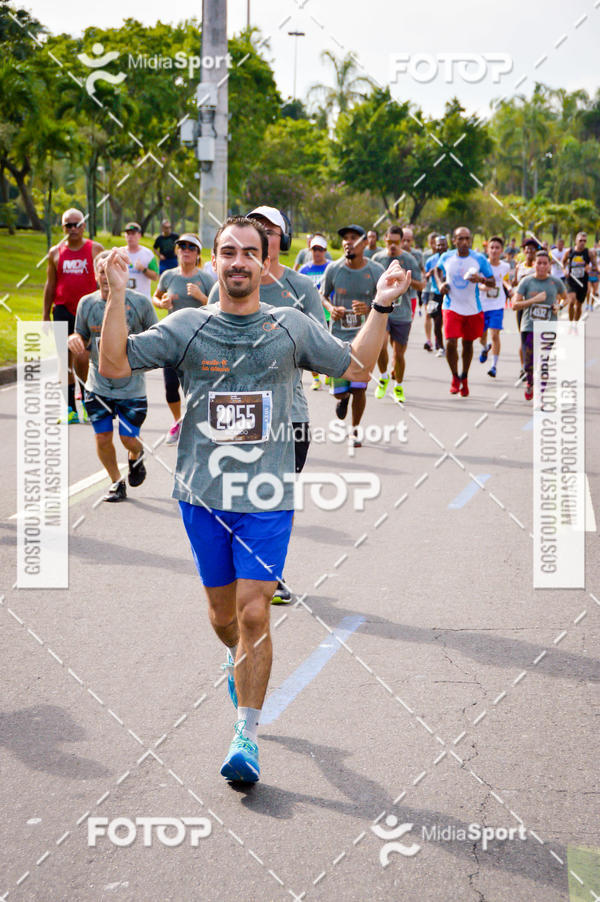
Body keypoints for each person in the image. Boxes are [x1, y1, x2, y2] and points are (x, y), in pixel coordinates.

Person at [98, 217, 411, 783]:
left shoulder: (289, 326)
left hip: (267, 494)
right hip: (202, 494)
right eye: (228, 252)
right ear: (215, 262)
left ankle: (246, 733)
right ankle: (234, 656)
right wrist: (118, 296)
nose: (238, 261)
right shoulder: (188, 326)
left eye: (249, 252)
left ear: (264, 263)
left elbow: (357, 365)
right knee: (223, 617)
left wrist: (382, 306)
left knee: (252, 610)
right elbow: (115, 364)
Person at [207, 205, 327, 605]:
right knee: (234, 496)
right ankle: (242, 574)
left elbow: (321, 348)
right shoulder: (226, 283)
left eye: (269, 230)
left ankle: (268, 573)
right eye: (255, 227)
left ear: (282, 239)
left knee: (273, 497)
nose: (260, 234)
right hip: (235, 412)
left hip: (288, 415)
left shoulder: (301, 288)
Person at [67, 251, 158, 501]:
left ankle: (136, 454)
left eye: (113, 271)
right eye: (103, 271)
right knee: (102, 437)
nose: (107, 277)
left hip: (131, 387)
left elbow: (156, 336)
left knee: (128, 438)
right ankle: (116, 482)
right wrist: (74, 339)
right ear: (97, 275)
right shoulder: (87, 303)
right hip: (98, 386)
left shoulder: (140, 303)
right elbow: (80, 333)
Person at [321, 224, 385, 443]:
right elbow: (322, 295)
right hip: (338, 337)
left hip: (365, 337)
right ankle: (343, 397)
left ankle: (355, 431)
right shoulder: (334, 269)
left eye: (354, 238)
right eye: (345, 238)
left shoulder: (375, 271)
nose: (348, 242)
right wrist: (331, 309)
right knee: (340, 391)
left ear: (365, 243)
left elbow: (386, 300)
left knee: (360, 387)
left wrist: (370, 308)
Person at [42, 208, 104, 423]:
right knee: (64, 360)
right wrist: (45, 315)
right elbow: (50, 284)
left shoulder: (95, 249)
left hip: (88, 312)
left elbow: (105, 280)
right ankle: (70, 409)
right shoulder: (55, 253)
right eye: (68, 225)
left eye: (76, 224)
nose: (73, 228)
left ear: (83, 225)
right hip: (62, 310)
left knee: (83, 357)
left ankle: (87, 402)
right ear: (63, 228)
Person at [153, 234, 214, 445]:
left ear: (197, 254)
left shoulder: (206, 279)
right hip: (172, 338)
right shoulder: (168, 276)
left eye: (191, 247)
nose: (186, 250)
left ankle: (197, 424)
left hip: (199, 340)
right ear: (177, 251)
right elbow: (156, 296)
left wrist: (201, 297)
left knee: (195, 387)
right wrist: (161, 303)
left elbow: (219, 306)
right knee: (171, 385)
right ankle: (177, 421)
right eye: (182, 246)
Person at [434, 226, 495, 397]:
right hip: (451, 306)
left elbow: (492, 282)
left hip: (472, 309)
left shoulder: (479, 259)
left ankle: (464, 377)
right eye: (460, 238)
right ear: (454, 241)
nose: (464, 242)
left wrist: (480, 279)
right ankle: (455, 377)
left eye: (467, 238)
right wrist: (440, 284)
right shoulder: (447, 257)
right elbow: (437, 270)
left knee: (467, 344)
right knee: (450, 342)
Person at [372, 226, 422, 402]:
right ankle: (383, 377)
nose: (392, 245)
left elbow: (421, 285)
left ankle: (398, 386)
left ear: (401, 241)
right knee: (381, 345)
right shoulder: (377, 259)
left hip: (402, 313)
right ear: (385, 239)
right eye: (389, 241)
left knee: (398, 355)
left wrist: (405, 280)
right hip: (382, 311)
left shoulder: (409, 259)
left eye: (396, 242)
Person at [512, 250, 566, 400]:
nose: (542, 266)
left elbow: (565, 298)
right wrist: (533, 300)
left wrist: (560, 306)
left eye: (545, 263)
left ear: (549, 265)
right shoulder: (526, 281)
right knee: (528, 364)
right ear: (534, 264)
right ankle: (530, 382)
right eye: (539, 263)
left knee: (543, 362)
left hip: (548, 327)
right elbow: (515, 305)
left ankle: (541, 394)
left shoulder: (556, 282)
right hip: (529, 326)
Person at [299, 234, 332, 390]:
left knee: (329, 346)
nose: (317, 252)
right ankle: (316, 378)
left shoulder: (331, 267)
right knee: (312, 348)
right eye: (314, 249)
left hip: (329, 313)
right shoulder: (304, 269)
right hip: (310, 314)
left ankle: (329, 373)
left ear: (325, 250)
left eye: (320, 249)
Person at [479, 235, 511, 378]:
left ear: (501, 250)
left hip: (497, 305)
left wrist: (509, 288)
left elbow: (505, 280)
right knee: (481, 336)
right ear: (487, 249)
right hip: (482, 305)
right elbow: (476, 283)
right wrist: (483, 287)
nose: (494, 250)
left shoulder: (505, 266)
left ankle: (493, 366)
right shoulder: (482, 265)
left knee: (495, 334)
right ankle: (485, 347)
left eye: (497, 248)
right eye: (492, 247)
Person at [424, 235, 448, 356]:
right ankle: (440, 346)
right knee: (436, 321)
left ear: (447, 245)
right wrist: (430, 273)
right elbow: (425, 276)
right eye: (438, 245)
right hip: (434, 294)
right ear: (435, 246)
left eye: (443, 244)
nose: (440, 247)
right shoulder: (430, 260)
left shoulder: (451, 258)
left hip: (449, 294)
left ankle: (447, 343)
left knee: (447, 321)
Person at [563, 232, 595, 322]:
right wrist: (564, 270)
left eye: (584, 241)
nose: (582, 243)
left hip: (582, 281)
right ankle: (570, 323)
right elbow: (563, 262)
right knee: (571, 301)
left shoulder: (588, 252)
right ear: (576, 241)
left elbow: (594, 265)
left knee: (579, 305)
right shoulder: (569, 251)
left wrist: (589, 267)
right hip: (571, 280)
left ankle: (575, 323)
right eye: (580, 240)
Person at [124, 222, 159, 298]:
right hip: (124, 298)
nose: (130, 236)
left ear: (139, 235)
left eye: (133, 234)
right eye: (128, 234)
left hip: (142, 298)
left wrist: (143, 269)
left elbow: (155, 277)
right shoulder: (120, 253)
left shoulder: (148, 254)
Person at [421, 232, 438, 351]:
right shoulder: (426, 255)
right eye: (431, 242)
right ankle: (428, 340)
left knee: (437, 317)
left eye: (435, 242)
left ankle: (438, 339)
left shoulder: (443, 255)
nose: (434, 245)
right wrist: (429, 273)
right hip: (428, 290)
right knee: (428, 314)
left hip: (439, 290)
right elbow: (423, 273)